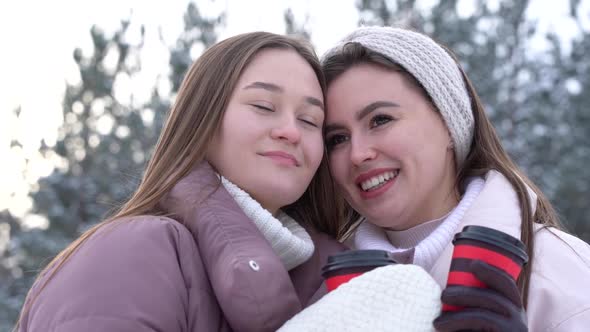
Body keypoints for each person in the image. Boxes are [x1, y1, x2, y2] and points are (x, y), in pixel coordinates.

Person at [16, 31, 347, 332]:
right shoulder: (132, 252)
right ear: (202, 119)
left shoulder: (337, 282)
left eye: (309, 120)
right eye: (263, 106)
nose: (290, 131)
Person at [320, 26, 590, 331]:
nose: (357, 154)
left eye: (380, 120)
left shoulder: (557, 271)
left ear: (449, 124)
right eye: (337, 139)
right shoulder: (321, 290)